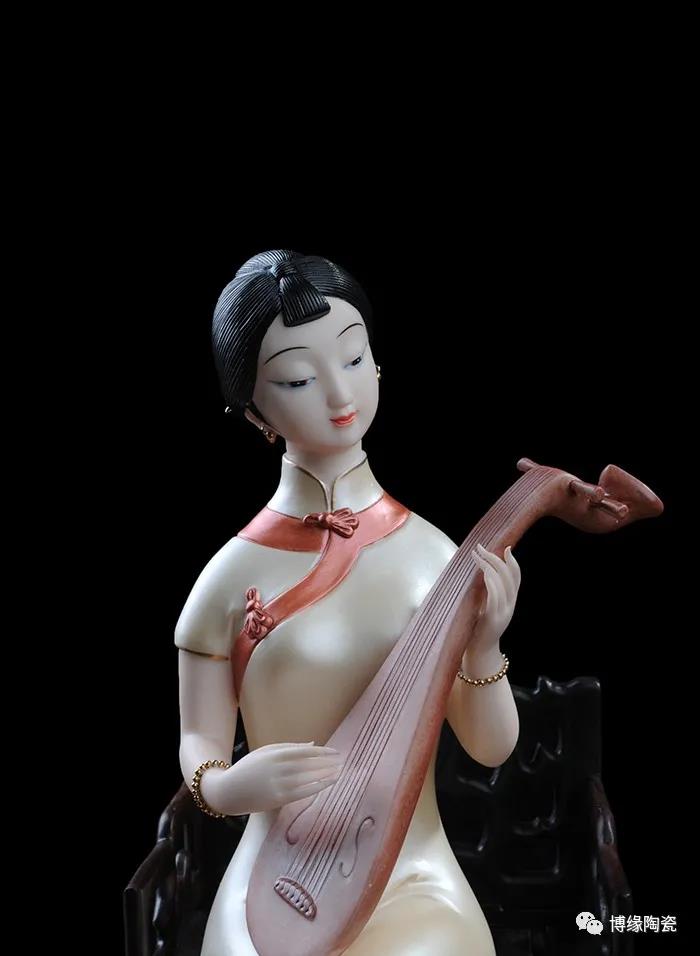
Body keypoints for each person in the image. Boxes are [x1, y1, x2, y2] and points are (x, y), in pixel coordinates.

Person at [174, 249, 521, 955]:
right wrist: (228, 786)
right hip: (274, 873)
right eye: (298, 378)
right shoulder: (227, 579)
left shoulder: (434, 558)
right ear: (253, 410)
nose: (340, 395)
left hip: (411, 872)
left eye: (355, 358)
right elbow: (198, 741)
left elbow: (491, 747)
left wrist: (484, 648)